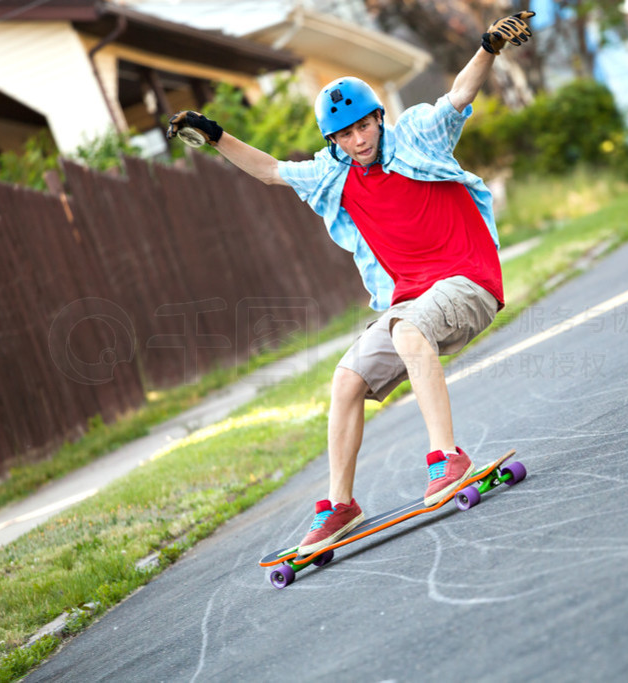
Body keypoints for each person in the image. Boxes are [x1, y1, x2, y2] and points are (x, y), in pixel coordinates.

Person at [167, 10, 535, 555]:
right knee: (346, 380)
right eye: (344, 134)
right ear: (333, 139)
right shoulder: (333, 173)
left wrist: (486, 48)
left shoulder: (417, 136)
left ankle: (446, 457)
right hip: (410, 299)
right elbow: (271, 170)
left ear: (380, 119)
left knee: (410, 333)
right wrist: (216, 135)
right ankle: (340, 504)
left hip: (467, 281)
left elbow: (458, 94)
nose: (358, 141)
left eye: (364, 126)